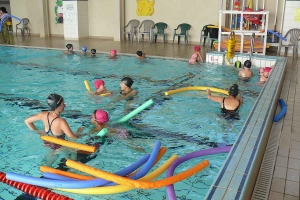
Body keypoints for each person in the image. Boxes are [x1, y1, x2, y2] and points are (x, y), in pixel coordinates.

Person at [24, 94, 84, 166]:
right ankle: (72, 167)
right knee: (74, 151)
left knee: (55, 155)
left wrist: (38, 132)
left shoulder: (44, 114)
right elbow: (73, 137)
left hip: (47, 142)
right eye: (63, 104)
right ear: (57, 107)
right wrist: (79, 131)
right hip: (58, 145)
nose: (65, 105)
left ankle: (56, 159)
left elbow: (27, 121)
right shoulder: (61, 121)